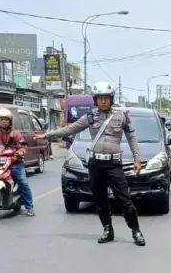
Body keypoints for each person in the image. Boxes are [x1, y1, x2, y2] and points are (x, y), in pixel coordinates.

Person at [42, 82, 146, 246]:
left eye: (106, 98)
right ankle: (107, 229)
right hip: (96, 164)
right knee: (100, 200)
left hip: (114, 164)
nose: (103, 101)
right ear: (95, 100)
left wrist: (137, 159)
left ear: (111, 99)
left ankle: (136, 230)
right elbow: (71, 129)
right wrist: (48, 135)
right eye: (100, 98)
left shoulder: (121, 115)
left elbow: (132, 137)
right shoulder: (90, 117)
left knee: (125, 200)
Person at [0, 108, 35, 216]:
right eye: (1, 119)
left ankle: (30, 207)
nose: (3, 121)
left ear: (10, 121)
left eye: (6, 119)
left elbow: (23, 146)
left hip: (14, 161)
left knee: (23, 181)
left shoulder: (16, 134)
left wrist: (20, 152)